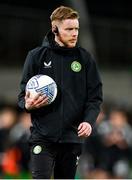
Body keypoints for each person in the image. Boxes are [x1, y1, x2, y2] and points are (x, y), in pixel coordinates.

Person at [18, 5, 103, 179]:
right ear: (54, 29)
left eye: (77, 29)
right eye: (69, 29)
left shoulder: (85, 59)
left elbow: (95, 98)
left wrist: (88, 121)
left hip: (72, 139)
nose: (75, 33)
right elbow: (22, 96)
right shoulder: (36, 56)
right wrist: (26, 104)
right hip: (42, 137)